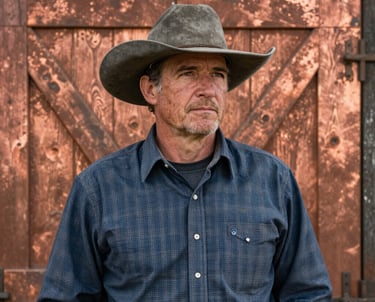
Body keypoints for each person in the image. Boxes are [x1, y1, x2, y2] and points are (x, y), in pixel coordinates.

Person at [38, 4, 332, 301]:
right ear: (151, 90)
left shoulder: (273, 181)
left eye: (217, 74)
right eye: (188, 73)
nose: (207, 89)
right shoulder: (99, 189)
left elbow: (307, 294)